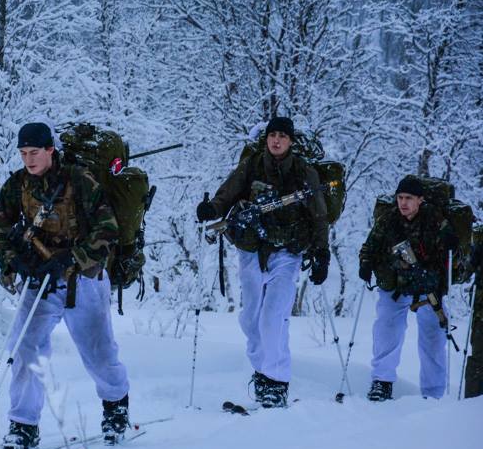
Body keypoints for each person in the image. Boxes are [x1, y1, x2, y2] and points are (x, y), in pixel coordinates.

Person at [0, 122, 130, 449]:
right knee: (25, 347)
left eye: (35, 152)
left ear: (50, 150)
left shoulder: (80, 181)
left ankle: (116, 408)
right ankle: (23, 426)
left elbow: (107, 228)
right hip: (39, 279)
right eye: (23, 153)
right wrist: (13, 261)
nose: (29, 160)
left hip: (83, 280)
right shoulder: (16, 185)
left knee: (98, 353)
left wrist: (73, 257)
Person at [196, 117, 330, 407]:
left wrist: (321, 252)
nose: (276, 141)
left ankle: (276, 381)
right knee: (251, 317)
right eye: (272, 135)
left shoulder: (304, 172)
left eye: (282, 136)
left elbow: (319, 215)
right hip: (251, 248)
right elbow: (228, 191)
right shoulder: (253, 164)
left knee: (273, 316)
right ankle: (261, 370)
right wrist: (213, 208)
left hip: (287, 251)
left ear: (291, 141)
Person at [358, 176, 459, 401]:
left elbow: (452, 256)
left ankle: (433, 394)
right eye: (400, 197)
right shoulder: (388, 220)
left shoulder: (435, 220)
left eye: (408, 198)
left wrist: (451, 246)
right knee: (386, 331)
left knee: (433, 338)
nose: (403, 203)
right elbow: (369, 246)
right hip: (395, 285)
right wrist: (365, 264)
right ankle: (382, 382)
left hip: (428, 287)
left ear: (420, 200)